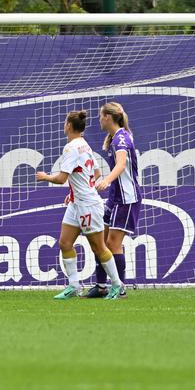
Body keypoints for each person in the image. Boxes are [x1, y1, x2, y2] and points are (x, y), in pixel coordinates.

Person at [36, 110, 124, 300]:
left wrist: (45, 177)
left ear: (68, 126)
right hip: (77, 203)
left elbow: (61, 179)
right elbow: (97, 173)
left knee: (98, 247)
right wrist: (73, 192)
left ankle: (117, 285)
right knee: (65, 243)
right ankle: (74, 285)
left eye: (65, 122)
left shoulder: (71, 148)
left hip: (87, 205)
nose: (64, 125)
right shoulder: (85, 145)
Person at [84, 102, 141, 298]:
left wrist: (107, 180)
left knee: (113, 243)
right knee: (100, 241)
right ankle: (101, 286)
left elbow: (122, 163)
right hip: (114, 199)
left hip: (126, 199)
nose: (99, 120)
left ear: (108, 117)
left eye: (101, 116)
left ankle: (120, 288)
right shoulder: (115, 137)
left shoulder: (121, 139)